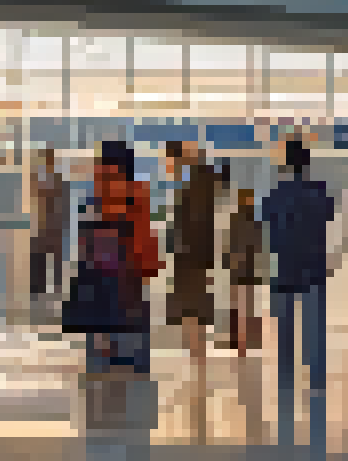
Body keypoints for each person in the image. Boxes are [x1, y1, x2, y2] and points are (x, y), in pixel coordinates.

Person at [262, 139, 335, 444]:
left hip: (286, 266)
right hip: (314, 265)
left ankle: (286, 376)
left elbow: (267, 223)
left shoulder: (276, 195)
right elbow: (327, 219)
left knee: (285, 327)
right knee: (315, 325)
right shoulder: (320, 192)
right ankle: (316, 376)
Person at [81, 140, 163, 376]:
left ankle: (101, 366)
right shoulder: (138, 192)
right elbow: (144, 234)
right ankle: (134, 366)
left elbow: (87, 237)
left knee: (101, 326)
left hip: (101, 267)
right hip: (130, 268)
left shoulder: (96, 193)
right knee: (132, 322)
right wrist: (148, 266)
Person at [162, 141, 223, 371]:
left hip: (191, 257)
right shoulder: (195, 183)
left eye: (169, 160)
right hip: (193, 257)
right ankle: (196, 358)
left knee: (192, 309)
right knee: (192, 310)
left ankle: (197, 359)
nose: (167, 166)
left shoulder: (197, 183)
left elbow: (190, 224)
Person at [223, 171, 267, 353]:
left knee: (239, 305)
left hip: (240, 269)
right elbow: (258, 246)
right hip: (247, 269)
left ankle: (241, 340)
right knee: (246, 305)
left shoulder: (236, 221)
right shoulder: (254, 223)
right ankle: (249, 339)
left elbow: (230, 245)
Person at [29, 148, 68, 301]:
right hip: (41, 226)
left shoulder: (58, 181)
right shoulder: (36, 181)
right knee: (40, 258)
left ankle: (55, 289)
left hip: (52, 226)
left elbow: (63, 204)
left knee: (54, 258)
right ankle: (37, 290)